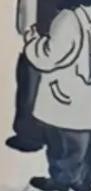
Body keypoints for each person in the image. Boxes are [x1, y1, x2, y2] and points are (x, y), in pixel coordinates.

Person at [23, 0, 91, 191]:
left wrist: (31, 40)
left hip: (68, 97)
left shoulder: (69, 18)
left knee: (65, 144)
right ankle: (88, 176)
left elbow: (48, 57)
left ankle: (64, 180)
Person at [6, 0, 59, 153]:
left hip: (42, 34)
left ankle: (29, 134)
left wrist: (28, 32)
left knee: (31, 81)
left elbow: (27, 7)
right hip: (65, 32)